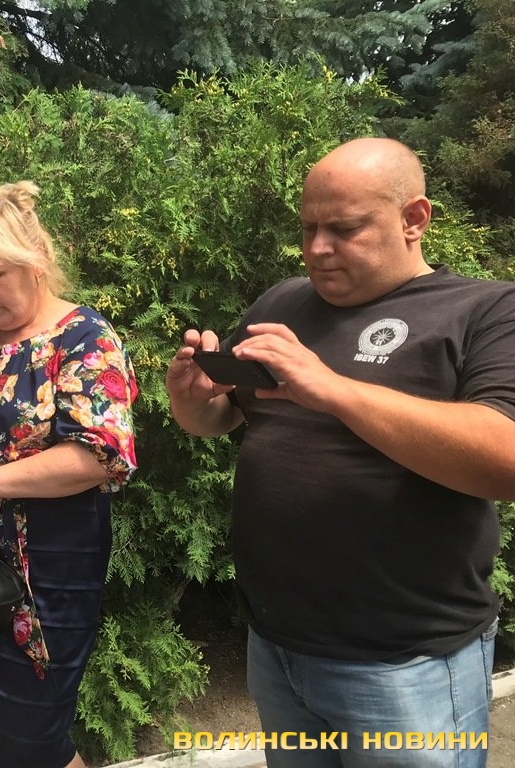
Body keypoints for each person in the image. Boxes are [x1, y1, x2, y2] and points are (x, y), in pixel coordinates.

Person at [166, 137, 515, 767]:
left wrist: (332, 389)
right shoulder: (282, 302)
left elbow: (505, 459)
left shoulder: (487, 310)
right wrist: (191, 402)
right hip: (277, 647)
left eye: (345, 229)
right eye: (309, 228)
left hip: (407, 662)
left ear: (414, 219)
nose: (318, 248)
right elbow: (223, 417)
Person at [0, 182, 138, 768]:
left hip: (50, 568)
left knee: (34, 735)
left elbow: (98, 456)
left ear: (35, 259)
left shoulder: (85, 339)